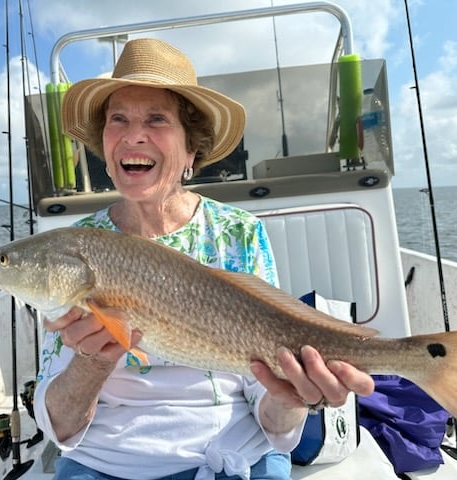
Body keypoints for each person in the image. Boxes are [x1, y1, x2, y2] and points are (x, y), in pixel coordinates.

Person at [33, 37, 374, 480]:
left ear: (192, 149)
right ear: (105, 142)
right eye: (119, 119)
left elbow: (269, 414)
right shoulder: (75, 249)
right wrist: (92, 361)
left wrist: (293, 398)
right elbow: (59, 426)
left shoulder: (239, 234)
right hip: (106, 461)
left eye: (156, 119)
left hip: (232, 454)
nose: (134, 134)